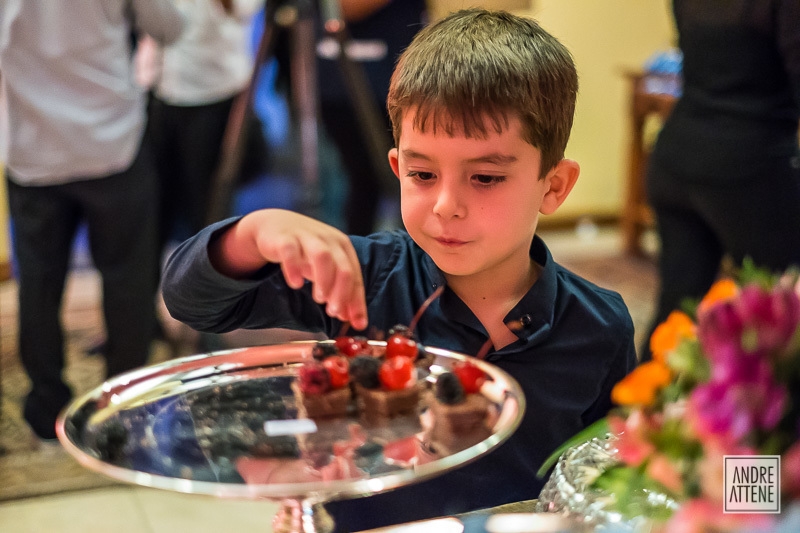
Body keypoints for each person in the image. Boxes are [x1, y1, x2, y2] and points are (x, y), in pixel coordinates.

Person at [162, 9, 636, 530]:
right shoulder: (361, 278)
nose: (445, 206)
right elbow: (194, 301)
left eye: (484, 178)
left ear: (554, 186)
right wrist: (251, 235)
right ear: (397, 169)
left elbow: (607, 473)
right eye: (422, 174)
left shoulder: (600, 325)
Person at [0, 0, 185, 441]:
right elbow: (170, 25)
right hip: (111, 141)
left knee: (40, 283)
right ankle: (124, 409)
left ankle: (46, 406)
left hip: (32, 145)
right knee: (128, 279)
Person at [641, 0, 800, 360]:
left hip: (678, 154)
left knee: (677, 315)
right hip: (747, 168)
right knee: (782, 315)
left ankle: (635, 412)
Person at [147, 0, 267, 249]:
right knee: (155, 205)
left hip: (215, 93)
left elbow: (244, 10)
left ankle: (209, 276)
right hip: (157, 90)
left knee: (209, 207)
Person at [316, 0, 427, 235]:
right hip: (352, 82)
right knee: (363, 181)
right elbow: (345, 8)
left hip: (398, 74)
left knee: (404, 178)